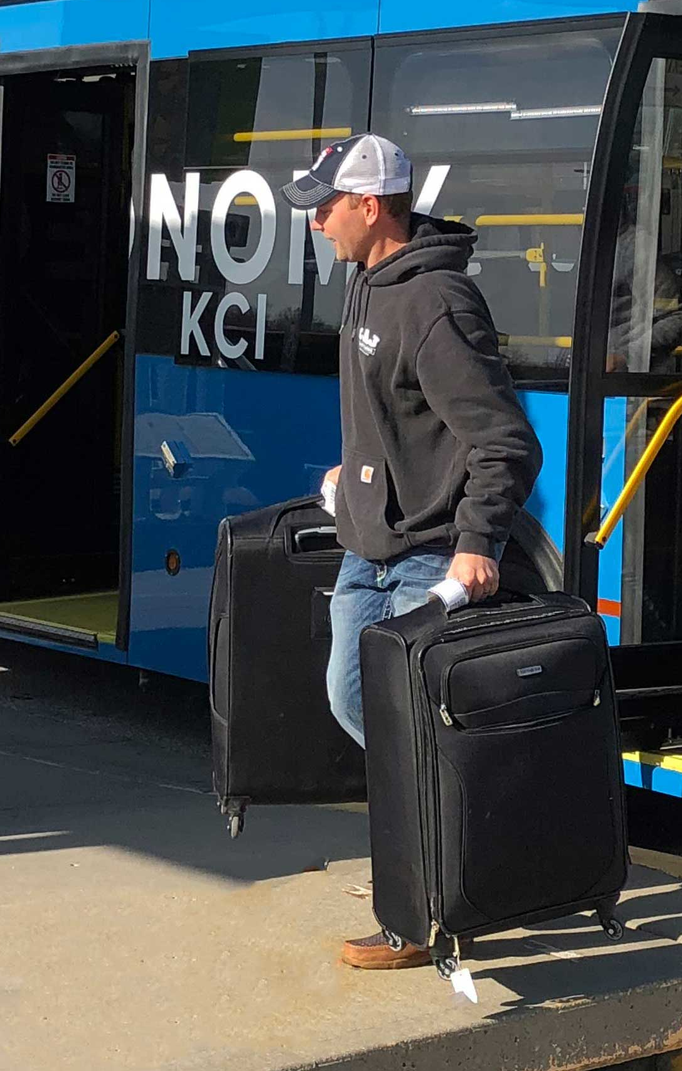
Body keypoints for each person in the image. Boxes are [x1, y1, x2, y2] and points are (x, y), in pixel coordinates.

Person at [279, 133, 542, 971]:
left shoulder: (435, 302)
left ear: (370, 205)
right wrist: (355, 473)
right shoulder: (368, 285)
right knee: (356, 702)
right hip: (370, 546)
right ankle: (478, 851)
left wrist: (477, 542)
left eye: (325, 206)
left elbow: (503, 441)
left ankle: (429, 906)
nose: (315, 222)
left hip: (428, 558)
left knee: (411, 730)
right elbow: (396, 417)